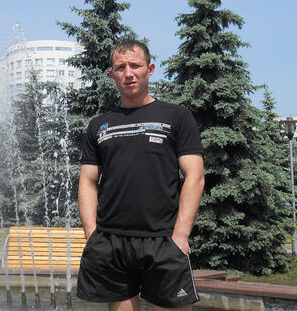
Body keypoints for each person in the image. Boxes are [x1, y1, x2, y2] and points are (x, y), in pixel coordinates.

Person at [76, 39, 205, 311]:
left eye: (135, 65)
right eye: (120, 67)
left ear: (150, 69)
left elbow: (195, 176)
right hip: (112, 242)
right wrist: (92, 234)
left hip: (163, 240)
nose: (128, 73)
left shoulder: (177, 117)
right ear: (112, 74)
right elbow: (87, 181)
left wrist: (181, 235)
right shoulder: (98, 126)